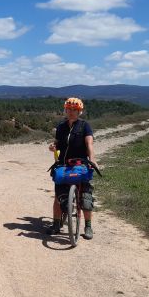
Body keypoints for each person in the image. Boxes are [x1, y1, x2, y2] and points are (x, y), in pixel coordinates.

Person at [47, 97, 97, 239]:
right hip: (63, 164)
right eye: (69, 109)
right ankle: (56, 224)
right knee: (58, 196)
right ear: (65, 110)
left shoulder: (84, 126)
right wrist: (53, 147)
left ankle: (88, 226)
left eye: (75, 110)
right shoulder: (61, 127)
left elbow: (89, 145)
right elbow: (57, 143)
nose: (71, 112)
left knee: (85, 197)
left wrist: (92, 161)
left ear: (79, 111)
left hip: (80, 164)